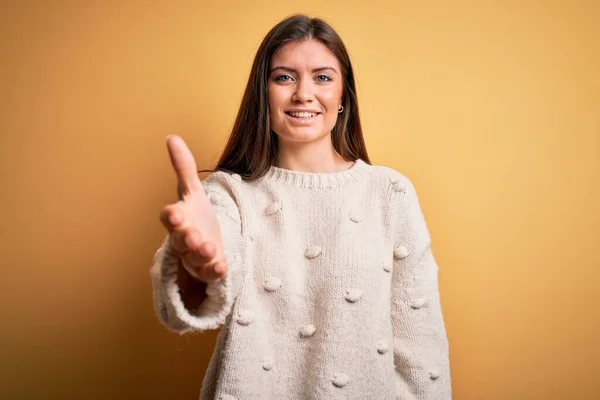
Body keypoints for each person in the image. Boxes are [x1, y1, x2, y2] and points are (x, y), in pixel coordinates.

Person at [150, 14, 451, 400]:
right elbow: (189, 291)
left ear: (344, 97)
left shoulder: (390, 193)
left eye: (322, 78)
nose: (303, 94)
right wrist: (196, 265)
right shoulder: (227, 195)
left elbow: (422, 350)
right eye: (284, 77)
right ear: (264, 93)